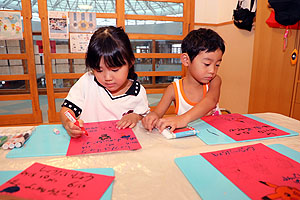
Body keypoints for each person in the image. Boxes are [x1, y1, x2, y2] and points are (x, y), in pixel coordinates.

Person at [60, 26, 150, 138]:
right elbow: (67, 110)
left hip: (122, 148)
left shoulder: (138, 92)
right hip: (91, 145)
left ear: (130, 62)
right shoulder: (87, 82)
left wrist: (136, 117)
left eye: (115, 70)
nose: (107, 77)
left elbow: (144, 117)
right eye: (99, 70)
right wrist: (69, 124)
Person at [142, 28, 225, 133]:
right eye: (207, 64)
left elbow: (210, 101)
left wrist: (183, 119)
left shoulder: (215, 81)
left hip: (214, 135)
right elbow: (157, 113)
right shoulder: (173, 89)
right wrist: (152, 117)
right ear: (186, 60)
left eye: (217, 65)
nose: (213, 70)